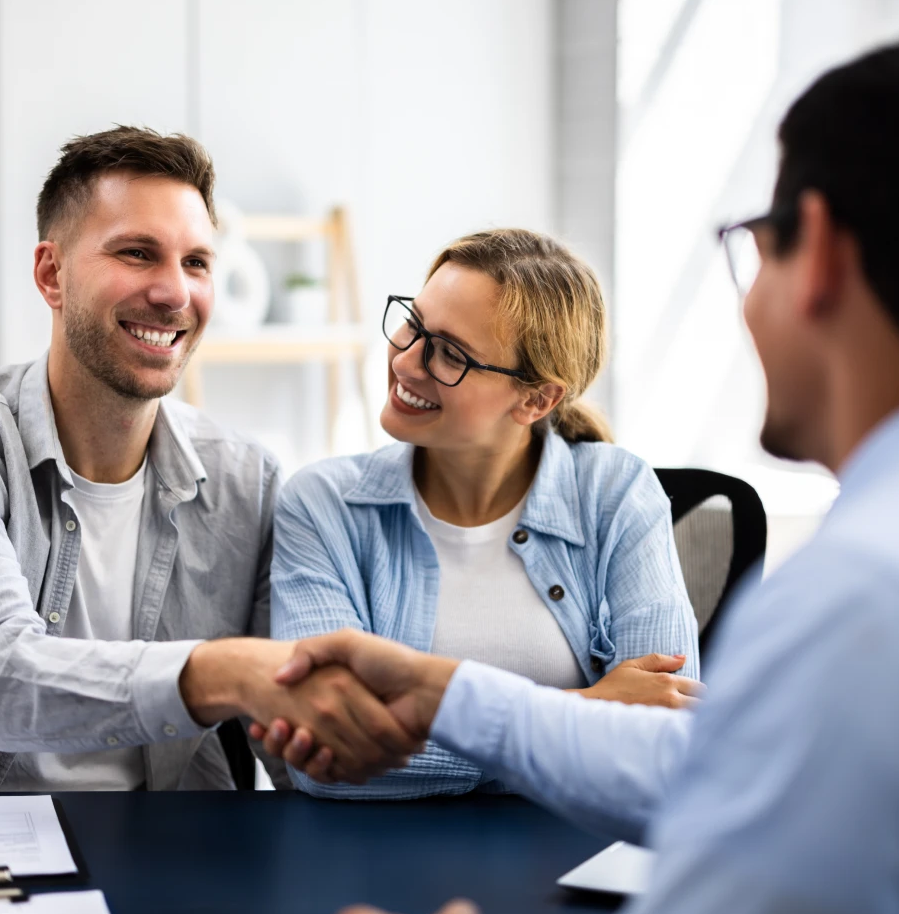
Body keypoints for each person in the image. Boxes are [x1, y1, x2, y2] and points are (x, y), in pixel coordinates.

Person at [257, 38, 899, 914]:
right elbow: (717, 772)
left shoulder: (869, 607)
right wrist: (451, 698)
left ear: (816, 252)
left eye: (755, 245)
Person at [0, 126, 417, 793]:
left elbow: (303, 754)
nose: (175, 294)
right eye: (137, 253)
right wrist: (224, 673)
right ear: (52, 274)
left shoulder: (249, 482)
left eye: (197, 263)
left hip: (185, 855)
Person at [270, 228, 701, 798]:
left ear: (536, 399)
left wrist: (430, 737)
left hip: (571, 863)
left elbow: (665, 743)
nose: (406, 360)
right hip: (376, 860)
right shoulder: (323, 505)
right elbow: (321, 753)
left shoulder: (617, 493)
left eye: (450, 353)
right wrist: (588, 709)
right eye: (413, 324)